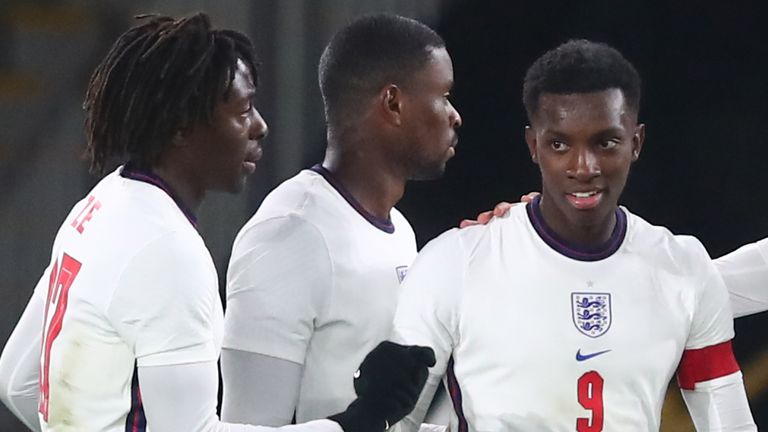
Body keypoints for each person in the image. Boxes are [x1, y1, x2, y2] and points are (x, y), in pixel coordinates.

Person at [0, 13, 435, 432]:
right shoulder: (168, 249)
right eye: (243, 110)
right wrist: (352, 423)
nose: (260, 126)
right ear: (182, 126)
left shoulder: (99, 205)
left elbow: (17, 381)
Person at [389, 39, 756, 431]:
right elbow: (393, 418)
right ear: (534, 145)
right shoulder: (455, 261)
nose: (584, 167)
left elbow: (728, 423)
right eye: (560, 144)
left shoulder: (684, 267)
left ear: (636, 142)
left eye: (606, 142)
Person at [220, 14, 461, 427]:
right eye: (443, 96)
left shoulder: (400, 231)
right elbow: (247, 428)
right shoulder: (289, 234)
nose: (454, 116)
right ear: (393, 103)